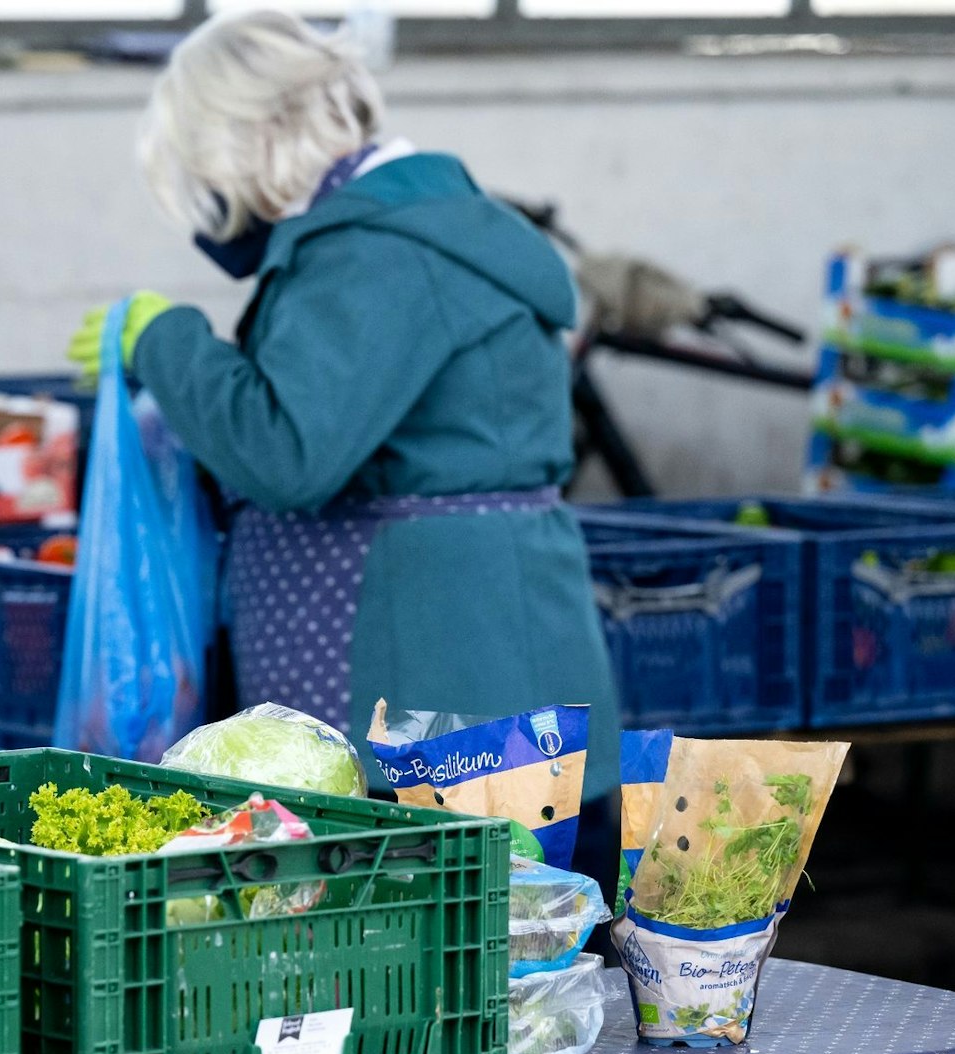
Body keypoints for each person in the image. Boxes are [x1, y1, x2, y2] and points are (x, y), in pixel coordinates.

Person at [67, 8, 621, 813]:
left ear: (250, 141)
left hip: (442, 702)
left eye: (208, 178)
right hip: (490, 677)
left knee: (460, 927)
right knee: (523, 925)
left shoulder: (379, 253)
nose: (214, 210)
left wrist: (165, 341)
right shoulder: (416, 232)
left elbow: (288, 452)